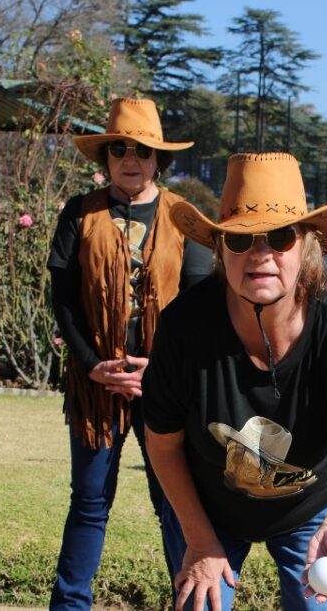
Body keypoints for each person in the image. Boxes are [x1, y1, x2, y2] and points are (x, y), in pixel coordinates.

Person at [143, 152, 327, 611]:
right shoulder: (183, 326)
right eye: (240, 239)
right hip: (206, 505)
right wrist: (200, 540)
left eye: (280, 237)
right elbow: (162, 444)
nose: (260, 255)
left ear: (307, 245)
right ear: (220, 249)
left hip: (309, 508)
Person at [47, 97, 212, 610]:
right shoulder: (80, 213)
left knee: (175, 504)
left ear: (158, 158)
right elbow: (64, 300)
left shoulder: (183, 217)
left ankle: (190, 603)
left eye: (142, 149)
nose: (130, 158)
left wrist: (160, 368)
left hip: (166, 387)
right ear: (106, 157)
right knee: (89, 502)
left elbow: (199, 305)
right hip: (96, 387)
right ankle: (70, 605)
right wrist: (92, 364)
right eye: (119, 149)